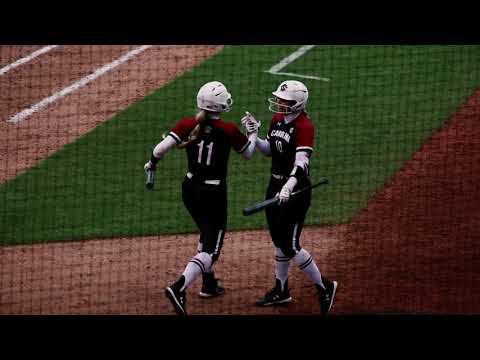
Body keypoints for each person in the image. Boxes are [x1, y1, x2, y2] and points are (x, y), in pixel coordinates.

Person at [144, 81, 257, 315]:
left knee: (206, 232)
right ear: (220, 105)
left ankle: (208, 284)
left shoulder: (187, 124)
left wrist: (152, 164)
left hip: (189, 189)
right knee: (212, 250)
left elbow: (159, 150)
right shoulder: (228, 130)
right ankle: (179, 287)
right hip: (213, 194)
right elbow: (248, 153)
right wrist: (253, 133)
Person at [241, 80, 338, 316]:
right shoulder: (276, 120)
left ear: (297, 104)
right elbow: (268, 151)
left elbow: (302, 164)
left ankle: (325, 287)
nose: (278, 102)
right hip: (274, 185)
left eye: (283, 100)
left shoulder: (305, 126)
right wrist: (253, 133)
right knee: (279, 241)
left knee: (290, 244)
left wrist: (288, 187)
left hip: (295, 191)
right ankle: (281, 290)